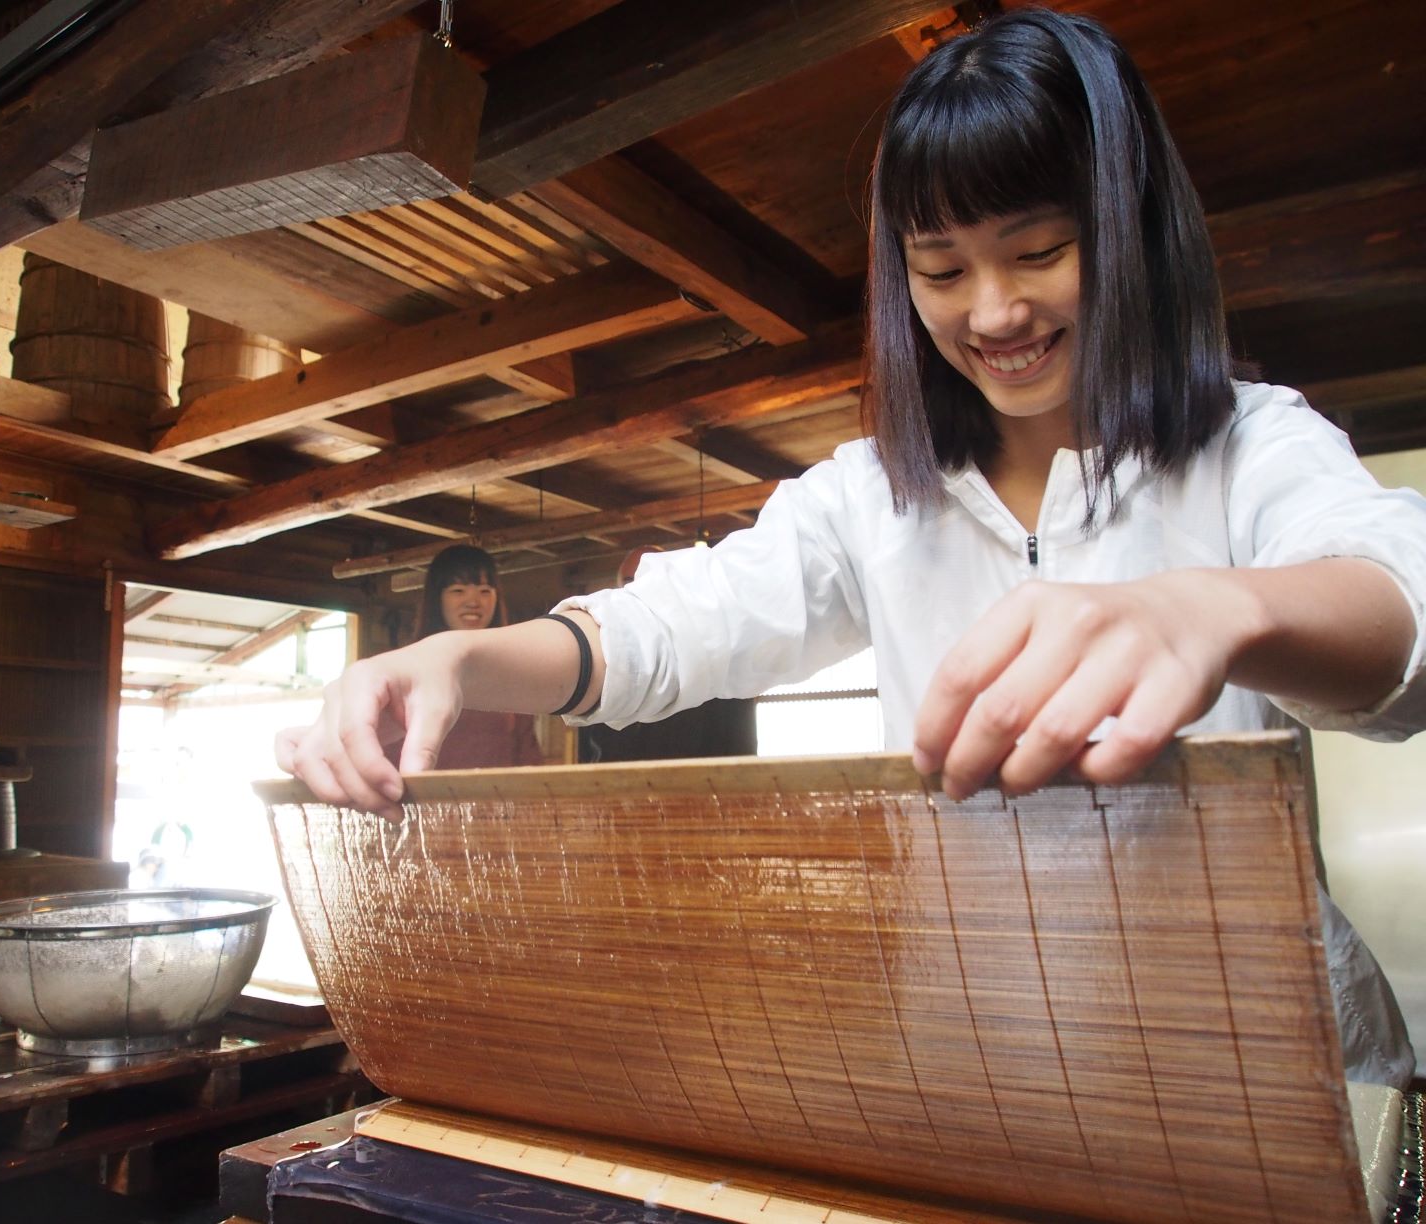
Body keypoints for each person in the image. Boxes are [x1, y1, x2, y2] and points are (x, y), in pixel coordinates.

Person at [278, 10, 1422, 1087]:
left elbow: (1399, 602)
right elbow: (677, 625)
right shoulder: (874, 497)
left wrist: (1213, 610)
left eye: (1039, 251)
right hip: (998, 1066)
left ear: (1132, 236)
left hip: (1268, 1066)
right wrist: (460, 663)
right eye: (941, 270)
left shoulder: (1249, 445)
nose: (994, 312)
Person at [577, 546, 757, 763]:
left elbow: (738, 751)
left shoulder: (712, 652)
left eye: (645, 578)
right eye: (628, 581)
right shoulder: (606, 658)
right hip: (618, 790)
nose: (636, 589)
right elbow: (589, 752)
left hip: (696, 789)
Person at [389, 543, 542, 771]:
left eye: (484, 591)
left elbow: (527, 757)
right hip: (425, 802)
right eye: (458, 590)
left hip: (499, 802)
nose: (473, 601)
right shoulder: (409, 669)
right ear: (437, 599)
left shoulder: (511, 673)